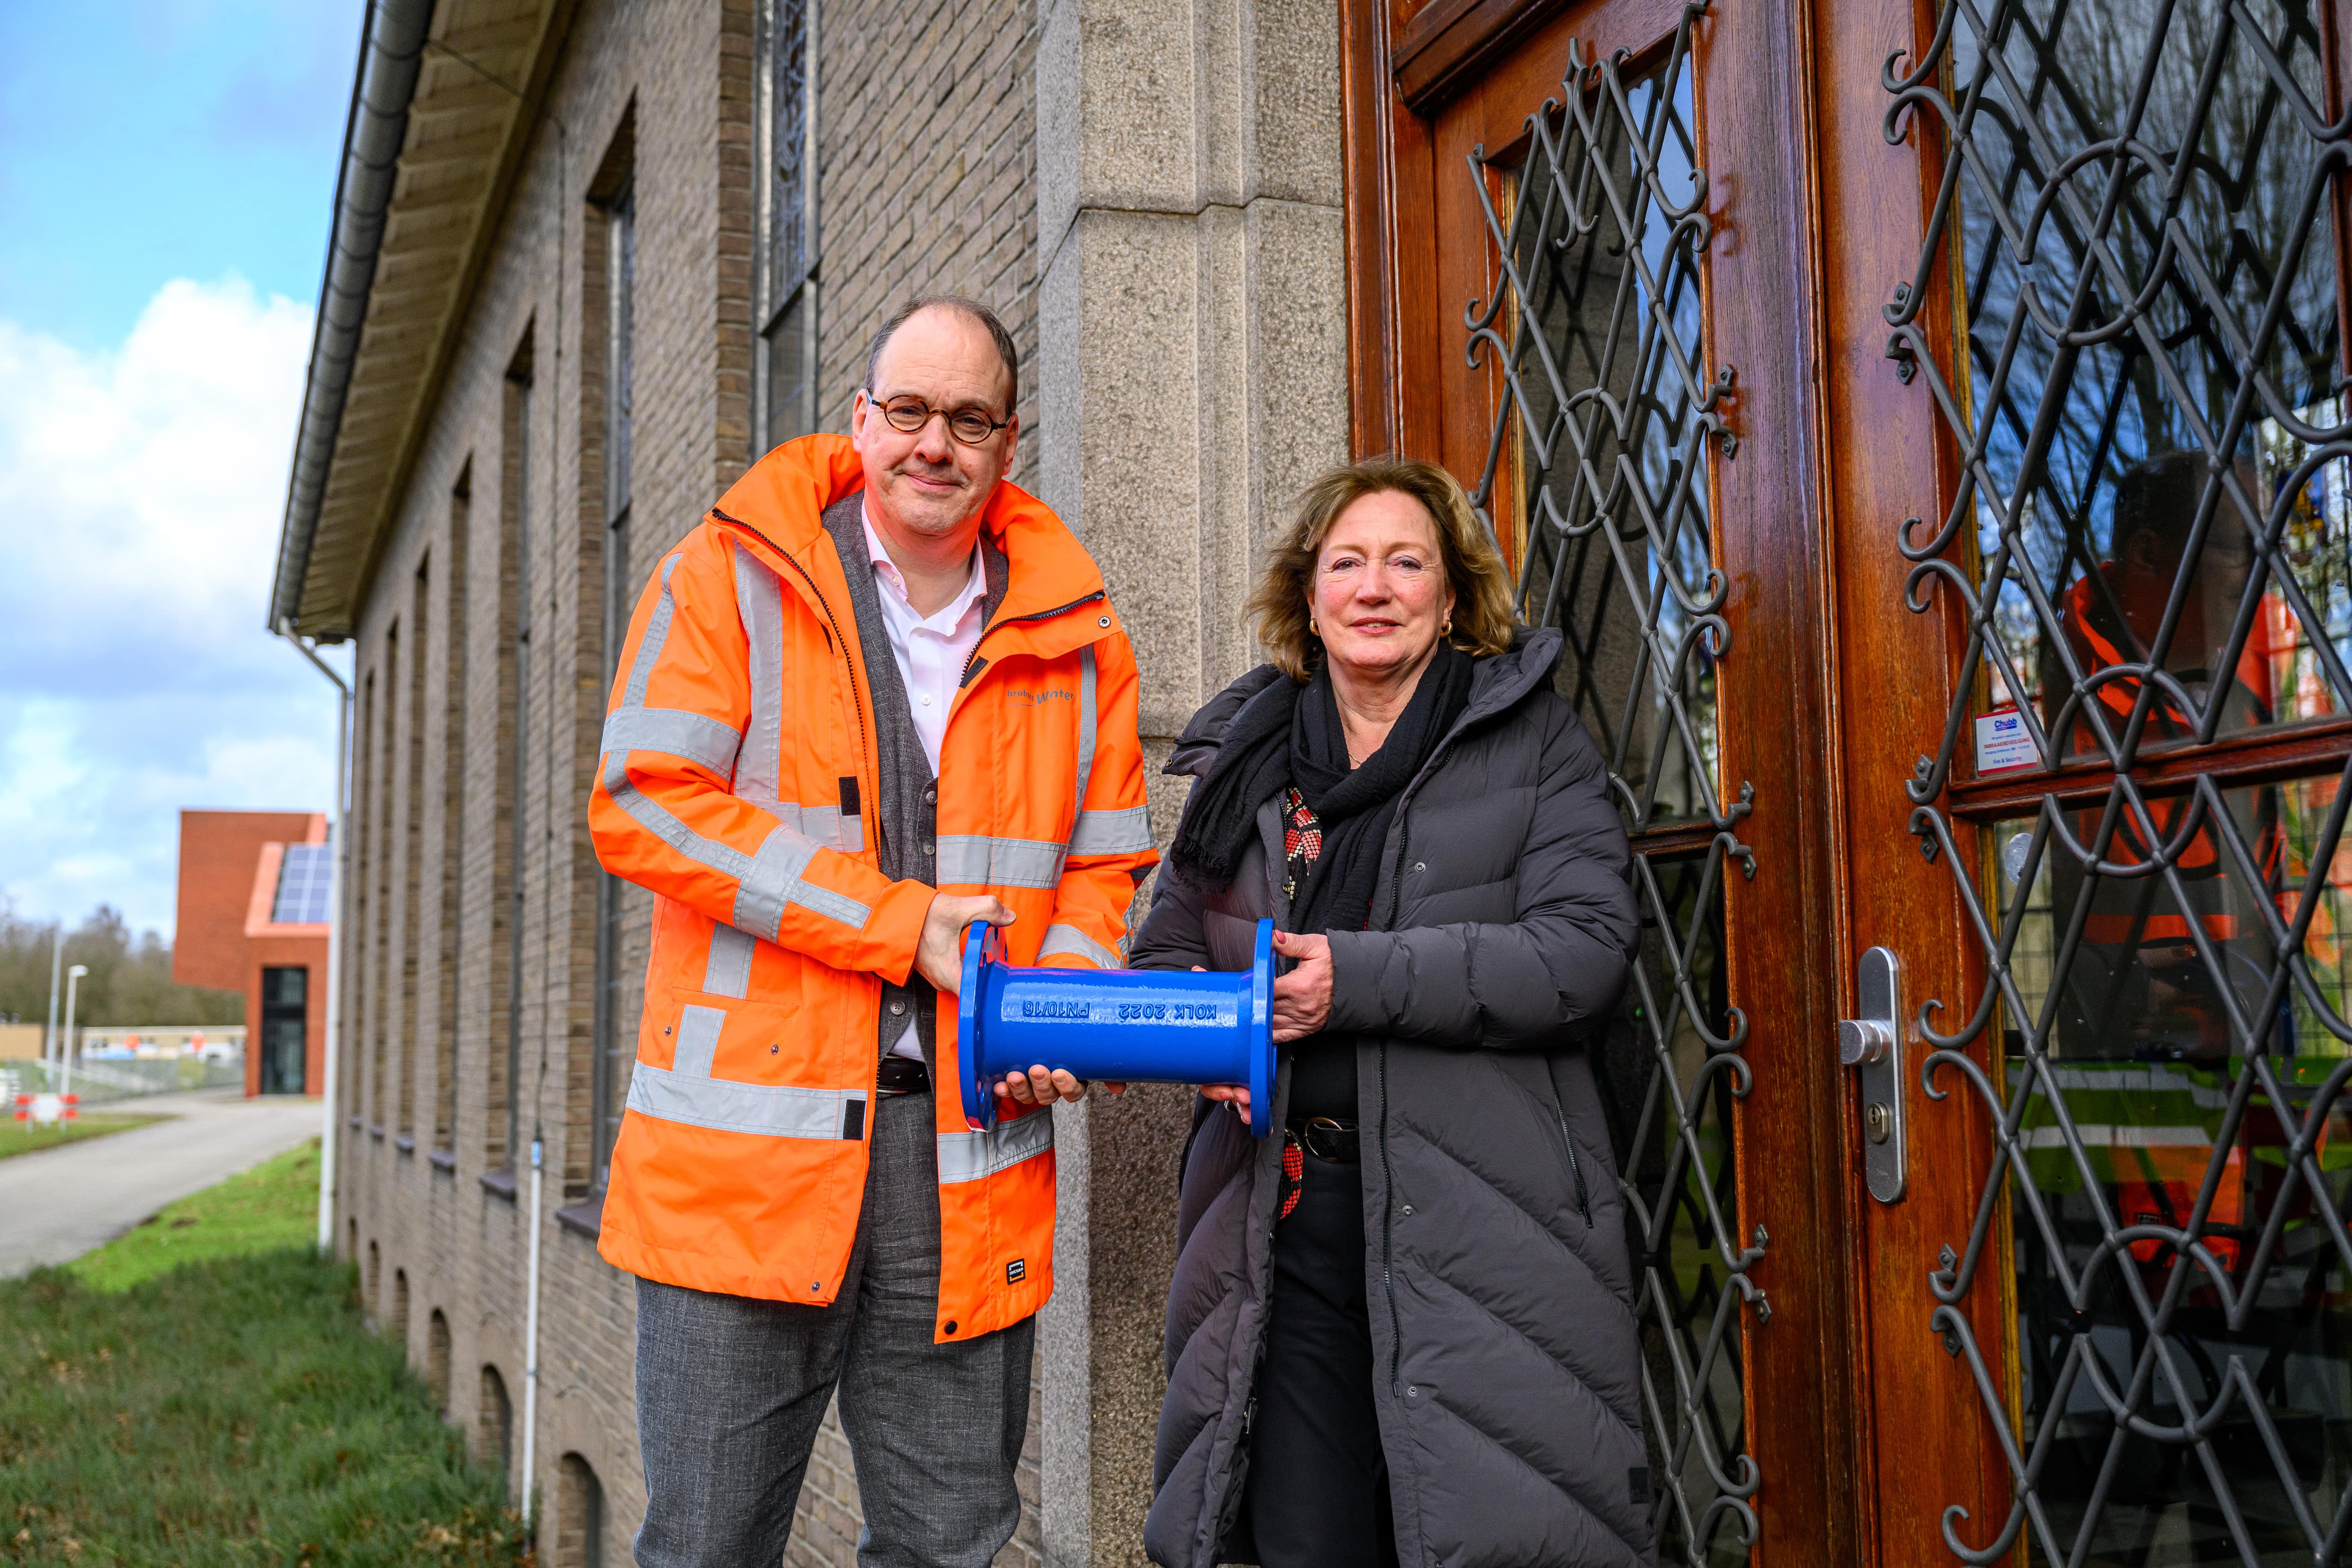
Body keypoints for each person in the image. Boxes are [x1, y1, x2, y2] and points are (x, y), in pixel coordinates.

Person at [586, 295, 1157, 1568]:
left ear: (1007, 442)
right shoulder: (732, 573)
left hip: (964, 1158)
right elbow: (640, 806)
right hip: (745, 1162)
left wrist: (1055, 1005)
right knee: (706, 1543)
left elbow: (1103, 865)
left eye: (968, 418)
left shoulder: (1080, 635)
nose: (933, 443)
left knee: (951, 1542)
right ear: (861, 419)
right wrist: (900, 924)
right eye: (908, 410)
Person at [1127, 455, 1652, 1568]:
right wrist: (1206, 1037)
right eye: (1347, 562)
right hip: (1279, 1231)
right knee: (1302, 1539)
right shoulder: (1244, 764)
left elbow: (1580, 956)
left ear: (1452, 597)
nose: (1374, 587)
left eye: (1405, 562)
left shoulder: (1529, 741)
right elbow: (1167, 955)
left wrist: (1351, 981)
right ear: (1307, 597)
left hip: (1478, 1222)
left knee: (1482, 1533)